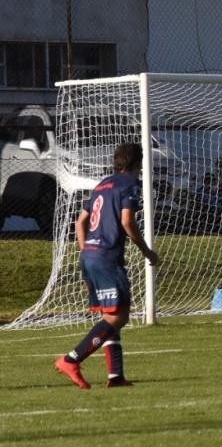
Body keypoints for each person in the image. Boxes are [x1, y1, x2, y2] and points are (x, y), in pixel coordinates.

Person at [54, 143, 159, 389]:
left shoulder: (101, 184)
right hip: (106, 256)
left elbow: (81, 222)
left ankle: (116, 377)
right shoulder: (130, 184)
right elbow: (127, 221)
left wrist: (86, 253)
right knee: (119, 316)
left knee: (109, 315)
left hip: (89, 254)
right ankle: (71, 359)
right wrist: (147, 251)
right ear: (138, 163)